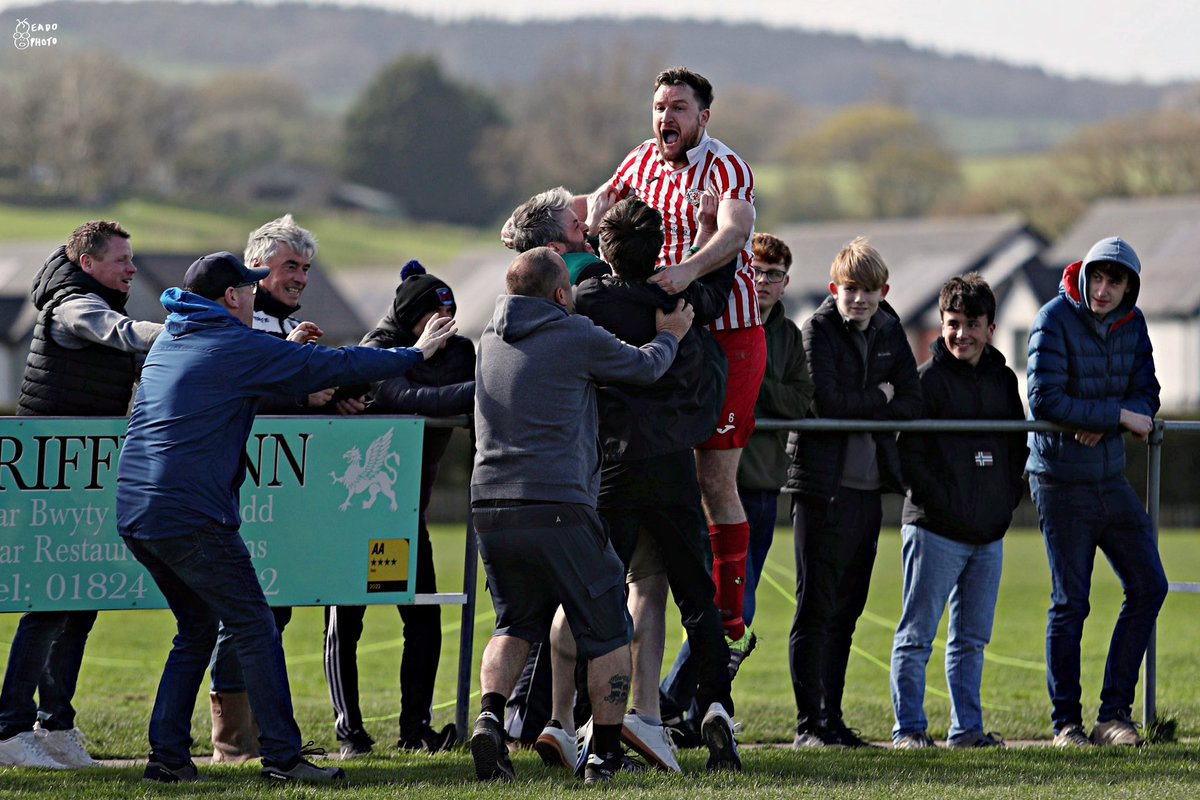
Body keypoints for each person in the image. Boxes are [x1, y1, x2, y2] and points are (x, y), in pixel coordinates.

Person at [115, 251, 457, 783]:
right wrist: (414, 353)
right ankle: (283, 757)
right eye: (249, 288)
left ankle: (167, 759)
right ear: (231, 298)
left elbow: (247, 378)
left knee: (197, 627)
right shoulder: (232, 342)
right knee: (255, 626)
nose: (256, 295)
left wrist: (282, 353)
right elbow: (338, 365)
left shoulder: (173, 340)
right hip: (191, 514)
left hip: (137, 511)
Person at [468, 247, 692, 784]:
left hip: (489, 505)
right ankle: (606, 755)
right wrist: (672, 334)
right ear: (561, 295)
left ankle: (490, 719)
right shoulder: (575, 333)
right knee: (610, 629)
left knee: (514, 621)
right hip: (559, 502)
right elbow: (645, 369)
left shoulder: (489, 340)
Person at [579, 67, 765, 650]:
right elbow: (597, 207)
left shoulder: (727, 166)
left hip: (727, 330)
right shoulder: (639, 161)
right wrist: (551, 226)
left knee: (713, 476)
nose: (667, 117)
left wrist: (686, 271)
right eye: (660, 106)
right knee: (655, 467)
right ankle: (645, 601)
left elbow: (736, 233)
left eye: (680, 108)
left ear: (703, 118)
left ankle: (727, 619)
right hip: (669, 329)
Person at [552, 196, 739, 773]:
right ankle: (716, 707)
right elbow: (721, 285)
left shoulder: (588, 301)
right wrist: (709, 230)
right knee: (696, 596)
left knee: (602, 597)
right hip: (672, 465)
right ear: (659, 250)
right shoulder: (674, 299)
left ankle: (588, 724)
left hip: (612, 466)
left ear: (604, 250)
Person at [0, 221, 163, 771]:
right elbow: (120, 334)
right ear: (89, 263)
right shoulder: (74, 305)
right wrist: (185, 333)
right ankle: (10, 728)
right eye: (122, 259)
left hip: (85, 480)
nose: (132, 268)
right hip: (53, 486)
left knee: (80, 601)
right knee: (49, 606)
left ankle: (56, 725)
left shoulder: (93, 296)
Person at [207, 214, 362, 763]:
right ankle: (232, 740)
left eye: (306, 268)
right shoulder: (237, 322)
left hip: (279, 498)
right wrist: (300, 389)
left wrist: (332, 399)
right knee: (243, 611)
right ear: (255, 269)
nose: (300, 277)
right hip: (232, 492)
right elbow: (240, 392)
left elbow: (286, 396)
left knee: (274, 610)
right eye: (289, 266)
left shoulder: (283, 326)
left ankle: (255, 737)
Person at [660, 232, 814, 742]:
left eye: (774, 274)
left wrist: (750, 381)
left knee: (734, 612)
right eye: (758, 271)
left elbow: (798, 401)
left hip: (764, 482)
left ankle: (683, 707)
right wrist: (745, 386)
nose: (765, 281)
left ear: (786, 281)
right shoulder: (717, 324)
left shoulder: (790, 335)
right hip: (716, 484)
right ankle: (675, 702)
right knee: (731, 608)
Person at [323, 260, 471, 758]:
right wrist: (485, 390)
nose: (447, 324)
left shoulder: (461, 353)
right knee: (347, 621)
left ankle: (415, 729)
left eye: (451, 314)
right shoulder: (376, 352)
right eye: (436, 315)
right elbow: (406, 396)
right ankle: (350, 735)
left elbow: (444, 394)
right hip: (356, 516)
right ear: (413, 318)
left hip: (408, 514)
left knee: (424, 621)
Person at [1026, 237, 1167, 747]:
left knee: (1150, 585)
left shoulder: (1136, 324)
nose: (1104, 290)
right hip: (1060, 480)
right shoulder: (1052, 318)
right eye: (1098, 279)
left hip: (1109, 477)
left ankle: (1114, 716)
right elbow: (1043, 397)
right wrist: (1111, 416)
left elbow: (1146, 394)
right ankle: (1067, 724)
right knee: (1071, 603)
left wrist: (1105, 420)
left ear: (1130, 286)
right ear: (1084, 276)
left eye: (1116, 281)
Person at [785, 236, 921, 748]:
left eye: (869, 290)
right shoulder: (815, 330)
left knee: (848, 608)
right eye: (850, 289)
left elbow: (912, 401)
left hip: (869, 489)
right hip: (821, 486)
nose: (860, 299)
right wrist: (880, 394)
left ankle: (834, 720)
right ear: (833, 289)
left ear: (883, 291)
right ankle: (808, 726)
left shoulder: (891, 328)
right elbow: (830, 402)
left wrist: (877, 400)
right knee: (814, 606)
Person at [890, 274, 1027, 749]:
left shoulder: (1004, 380)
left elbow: (1017, 449)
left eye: (973, 324)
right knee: (917, 636)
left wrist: (1004, 503)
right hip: (935, 531)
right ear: (940, 325)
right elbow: (907, 457)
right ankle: (909, 730)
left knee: (971, 640)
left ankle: (966, 730)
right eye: (953, 323)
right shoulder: (925, 382)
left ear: (991, 327)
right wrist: (942, 505)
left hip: (988, 535)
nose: (961, 334)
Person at [504, 186, 609, 284]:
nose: (586, 226)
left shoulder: (533, 279)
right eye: (576, 226)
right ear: (554, 248)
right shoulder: (591, 269)